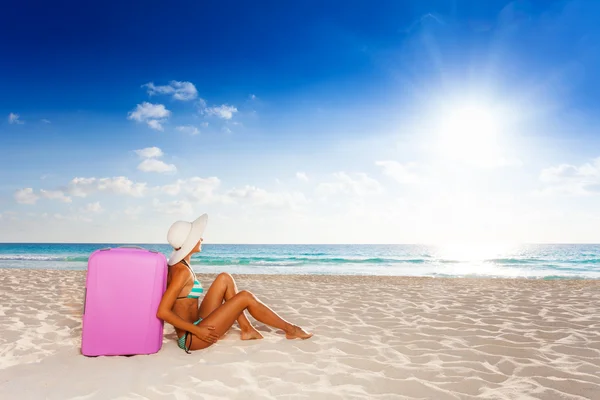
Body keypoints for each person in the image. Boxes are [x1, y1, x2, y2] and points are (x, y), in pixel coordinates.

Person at [157, 213, 313, 353]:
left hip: (198, 322)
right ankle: (291, 329)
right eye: (198, 236)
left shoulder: (181, 265)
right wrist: (198, 331)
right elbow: (162, 312)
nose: (202, 239)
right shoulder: (182, 272)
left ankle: (247, 329)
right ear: (190, 243)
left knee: (225, 278)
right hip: (192, 338)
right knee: (245, 296)